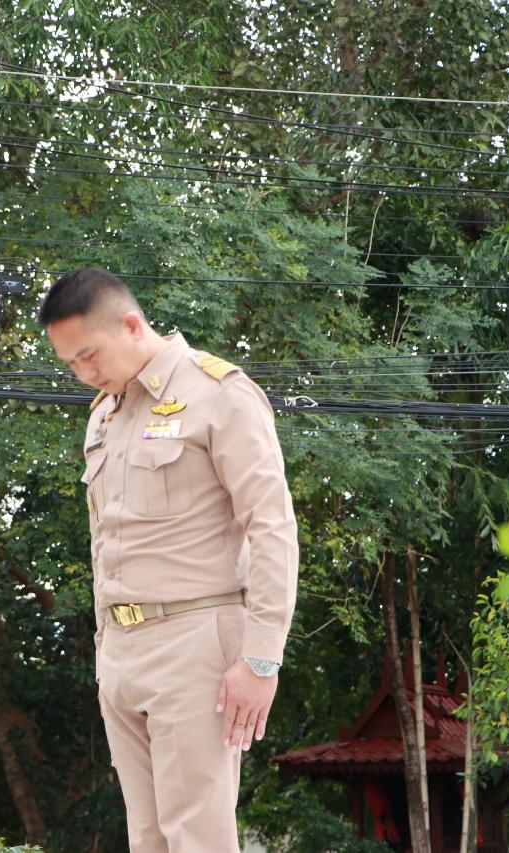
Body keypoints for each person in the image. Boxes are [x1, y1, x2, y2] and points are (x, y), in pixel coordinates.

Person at [39, 268, 299, 852]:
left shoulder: (219, 394)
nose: (84, 374)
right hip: (120, 651)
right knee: (148, 839)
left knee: (197, 838)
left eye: (89, 356)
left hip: (195, 643)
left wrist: (261, 658)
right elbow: (108, 540)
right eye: (71, 364)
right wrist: (107, 649)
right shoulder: (104, 415)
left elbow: (272, 527)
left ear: (132, 325)